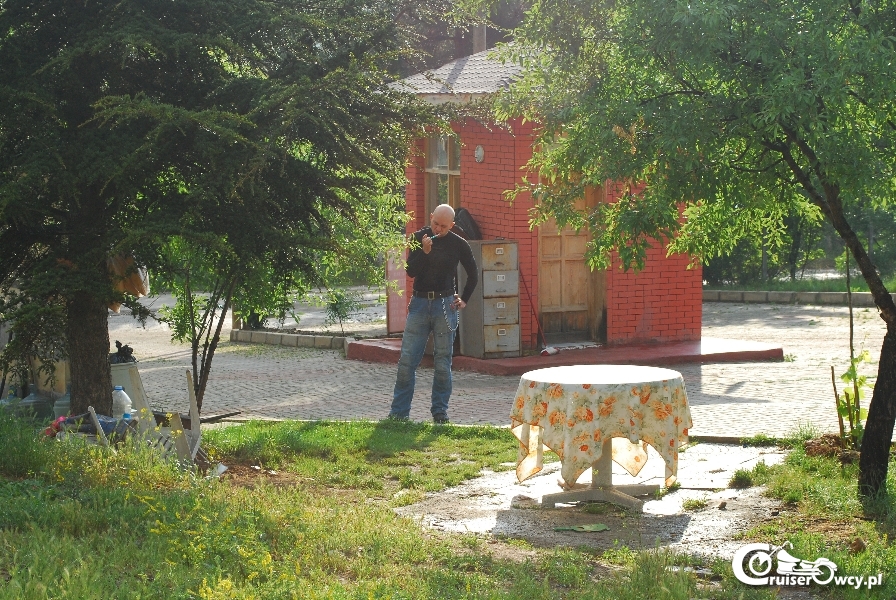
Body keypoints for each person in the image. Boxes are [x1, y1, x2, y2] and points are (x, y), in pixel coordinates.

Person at [389, 204, 478, 424]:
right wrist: (425, 252)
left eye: (444, 226)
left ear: (452, 225)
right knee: (407, 360)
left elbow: (473, 273)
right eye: (435, 223)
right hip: (419, 303)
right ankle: (399, 414)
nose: (438, 229)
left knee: (442, 362)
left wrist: (464, 298)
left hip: (445, 305)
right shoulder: (418, 238)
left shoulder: (459, 243)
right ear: (431, 217)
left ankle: (440, 412)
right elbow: (410, 271)